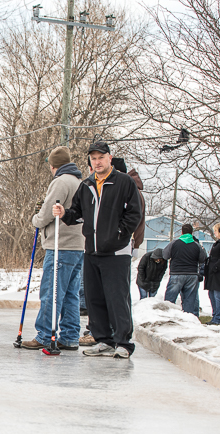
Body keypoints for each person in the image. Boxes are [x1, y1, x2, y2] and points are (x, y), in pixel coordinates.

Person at [53, 141, 142, 359]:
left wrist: (119, 234)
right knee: (94, 298)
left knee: (117, 298)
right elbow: (77, 213)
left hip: (116, 251)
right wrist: (64, 213)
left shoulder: (124, 182)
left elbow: (134, 214)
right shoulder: (87, 185)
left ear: (109, 158)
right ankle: (104, 340)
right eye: (93, 158)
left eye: (101, 157)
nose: (97, 162)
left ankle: (123, 342)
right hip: (92, 251)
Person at [21, 146, 84, 351]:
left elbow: (47, 213)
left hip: (60, 244)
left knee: (51, 292)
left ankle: (45, 334)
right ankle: (70, 335)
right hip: (77, 245)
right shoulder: (79, 182)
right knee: (71, 293)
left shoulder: (60, 182)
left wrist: (36, 219)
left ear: (53, 165)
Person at [162, 223, 207, 316]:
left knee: (170, 299)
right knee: (190, 299)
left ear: (182, 232)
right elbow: (203, 258)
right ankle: (188, 319)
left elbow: (165, 255)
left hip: (176, 273)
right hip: (192, 274)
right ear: (192, 232)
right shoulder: (196, 245)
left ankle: (166, 316)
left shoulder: (174, 243)